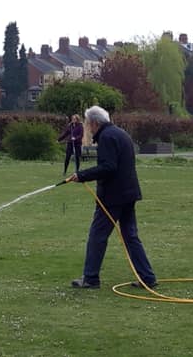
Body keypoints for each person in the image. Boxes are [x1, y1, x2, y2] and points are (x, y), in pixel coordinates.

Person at [66, 106, 157, 289]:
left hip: (113, 197)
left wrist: (81, 175)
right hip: (128, 193)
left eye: (88, 124)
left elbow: (109, 167)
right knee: (130, 236)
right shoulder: (120, 133)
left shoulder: (107, 137)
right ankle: (147, 277)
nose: (88, 128)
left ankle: (90, 278)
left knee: (97, 235)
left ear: (94, 122)